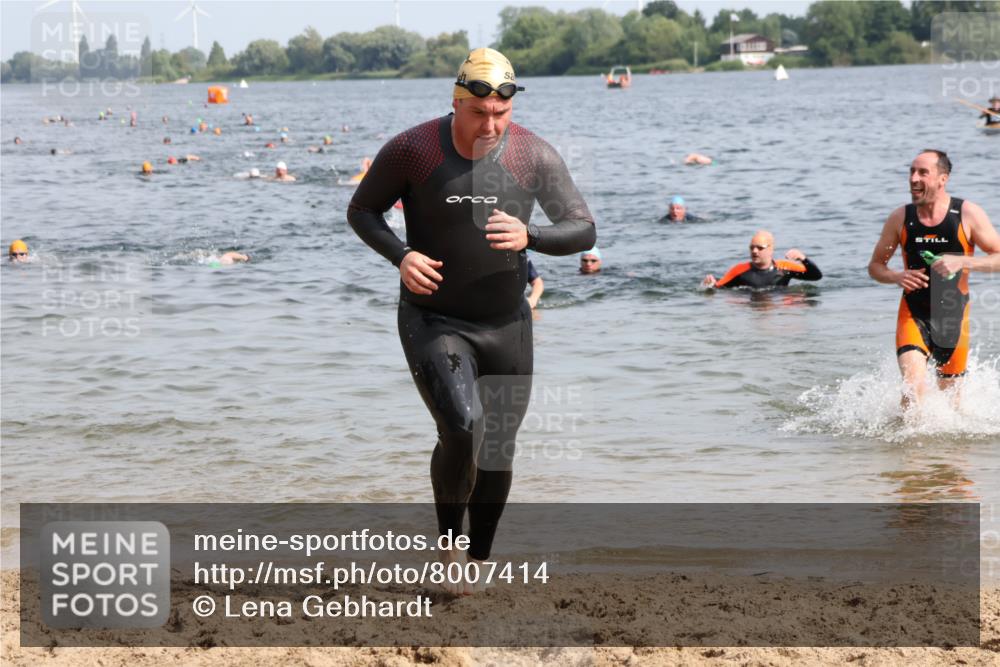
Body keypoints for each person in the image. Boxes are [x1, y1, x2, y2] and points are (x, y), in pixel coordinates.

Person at [347, 46, 595, 595]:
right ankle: (447, 545)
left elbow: (582, 229)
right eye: (478, 113)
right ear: (456, 102)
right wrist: (401, 255)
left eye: (500, 115)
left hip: (507, 323)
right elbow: (361, 211)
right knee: (460, 426)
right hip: (434, 318)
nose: (490, 124)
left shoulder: (532, 154)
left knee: (497, 446)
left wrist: (532, 236)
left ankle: (477, 563)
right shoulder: (413, 150)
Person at [867, 149, 1000, 407]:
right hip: (913, 313)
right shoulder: (900, 218)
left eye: (922, 172)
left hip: (954, 316)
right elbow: (875, 266)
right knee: (912, 390)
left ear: (943, 179)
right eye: (911, 171)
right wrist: (896, 276)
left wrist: (962, 261)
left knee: (952, 407)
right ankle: (907, 447)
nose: (913, 178)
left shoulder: (967, 214)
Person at [702, 231, 821, 288]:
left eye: (760, 248)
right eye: (752, 247)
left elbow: (815, 276)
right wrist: (710, 284)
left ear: (771, 249)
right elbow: (719, 288)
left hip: (777, 311)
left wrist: (803, 259)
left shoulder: (785, 268)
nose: (754, 251)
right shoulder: (740, 270)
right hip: (753, 310)